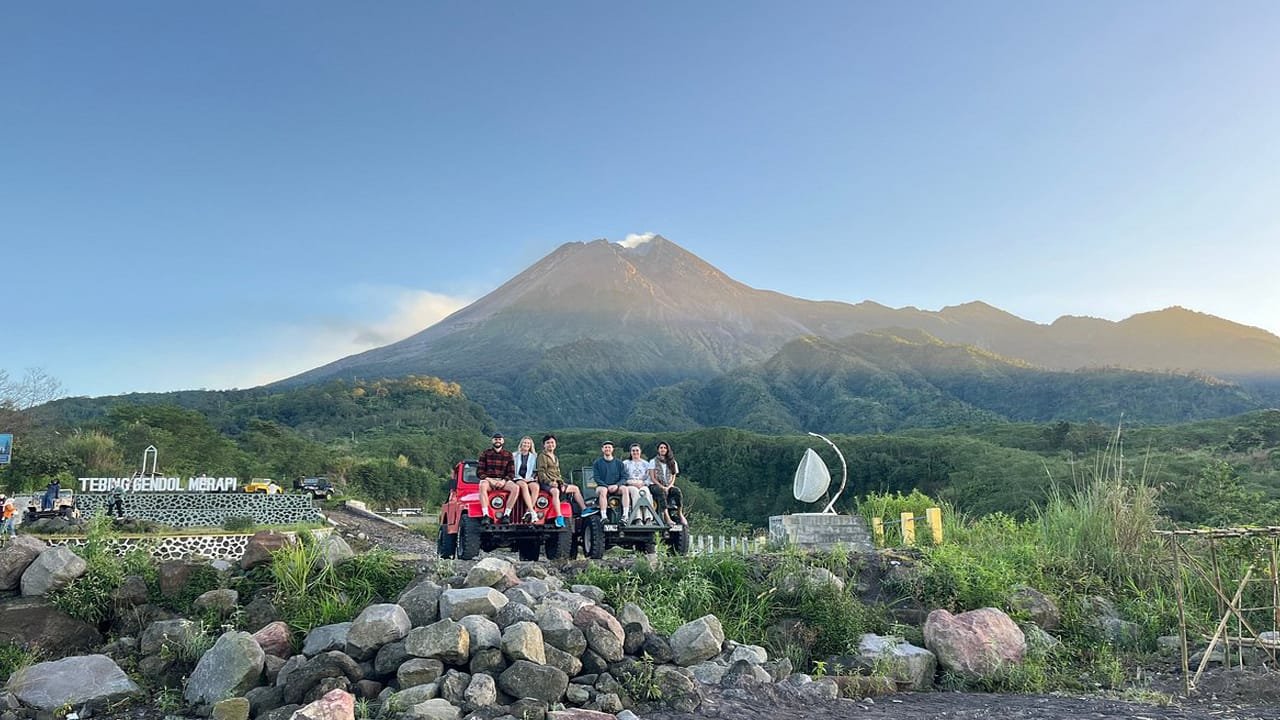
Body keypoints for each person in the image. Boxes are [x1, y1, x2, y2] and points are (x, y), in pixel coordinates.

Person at [476, 433, 517, 522]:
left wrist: (503, 481)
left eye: (499, 439)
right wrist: (490, 480)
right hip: (489, 480)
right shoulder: (485, 453)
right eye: (495, 439)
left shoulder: (508, 454)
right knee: (482, 486)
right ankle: (486, 515)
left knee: (516, 488)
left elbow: (511, 473)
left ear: (503, 441)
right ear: (492, 441)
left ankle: (507, 514)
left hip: (503, 480)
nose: (497, 441)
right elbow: (479, 472)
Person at [649, 440, 685, 525]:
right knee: (661, 492)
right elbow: (652, 477)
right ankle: (666, 517)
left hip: (669, 485)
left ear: (667, 450)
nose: (663, 449)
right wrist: (662, 487)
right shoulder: (653, 461)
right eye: (661, 448)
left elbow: (673, 477)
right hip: (655, 485)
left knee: (677, 491)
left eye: (665, 448)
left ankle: (680, 513)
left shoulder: (673, 462)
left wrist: (669, 487)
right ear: (658, 450)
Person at [593, 441, 630, 521]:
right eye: (605, 447)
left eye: (609, 447)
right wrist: (606, 486)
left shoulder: (619, 463)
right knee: (603, 490)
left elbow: (624, 477)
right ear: (602, 449)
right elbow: (596, 478)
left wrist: (617, 485)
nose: (607, 449)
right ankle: (604, 516)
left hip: (616, 487)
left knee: (625, 489)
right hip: (602, 487)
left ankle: (625, 515)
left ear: (612, 449)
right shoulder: (597, 463)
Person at [622, 443, 655, 523]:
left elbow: (650, 478)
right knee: (635, 493)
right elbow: (622, 477)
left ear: (640, 452)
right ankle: (638, 518)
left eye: (637, 450)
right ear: (630, 452)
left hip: (642, 483)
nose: (635, 452)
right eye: (633, 451)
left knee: (646, 493)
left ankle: (648, 518)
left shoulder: (646, 464)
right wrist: (631, 483)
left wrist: (643, 483)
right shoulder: (625, 463)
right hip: (630, 484)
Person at [511, 436, 539, 521]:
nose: (526, 444)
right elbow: (511, 469)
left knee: (536, 487)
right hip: (517, 478)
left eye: (528, 443)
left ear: (531, 446)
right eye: (525, 443)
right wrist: (521, 479)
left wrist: (531, 478)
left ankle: (527, 512)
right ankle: (532, 511)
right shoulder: (514, 455)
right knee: (523, 486)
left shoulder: (534, 456)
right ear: (521, 444)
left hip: (529, 478)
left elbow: (535, 471)